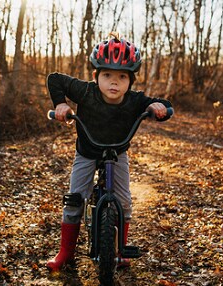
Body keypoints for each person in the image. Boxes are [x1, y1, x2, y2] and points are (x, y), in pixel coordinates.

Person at [46, 34, 172, 272]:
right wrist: (60, 104)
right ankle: (65, 252)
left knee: (123, 200)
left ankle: (121, 248)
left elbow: (164, 104)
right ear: (96, 77)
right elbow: (55, 79)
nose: (114, 83)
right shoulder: (85, 91)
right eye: (107, 75)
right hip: (87, 151)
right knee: (75, 198)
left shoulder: (135, 100)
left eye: (122, 77)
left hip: (117, 153)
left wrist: (158, 107)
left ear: (130, 81)